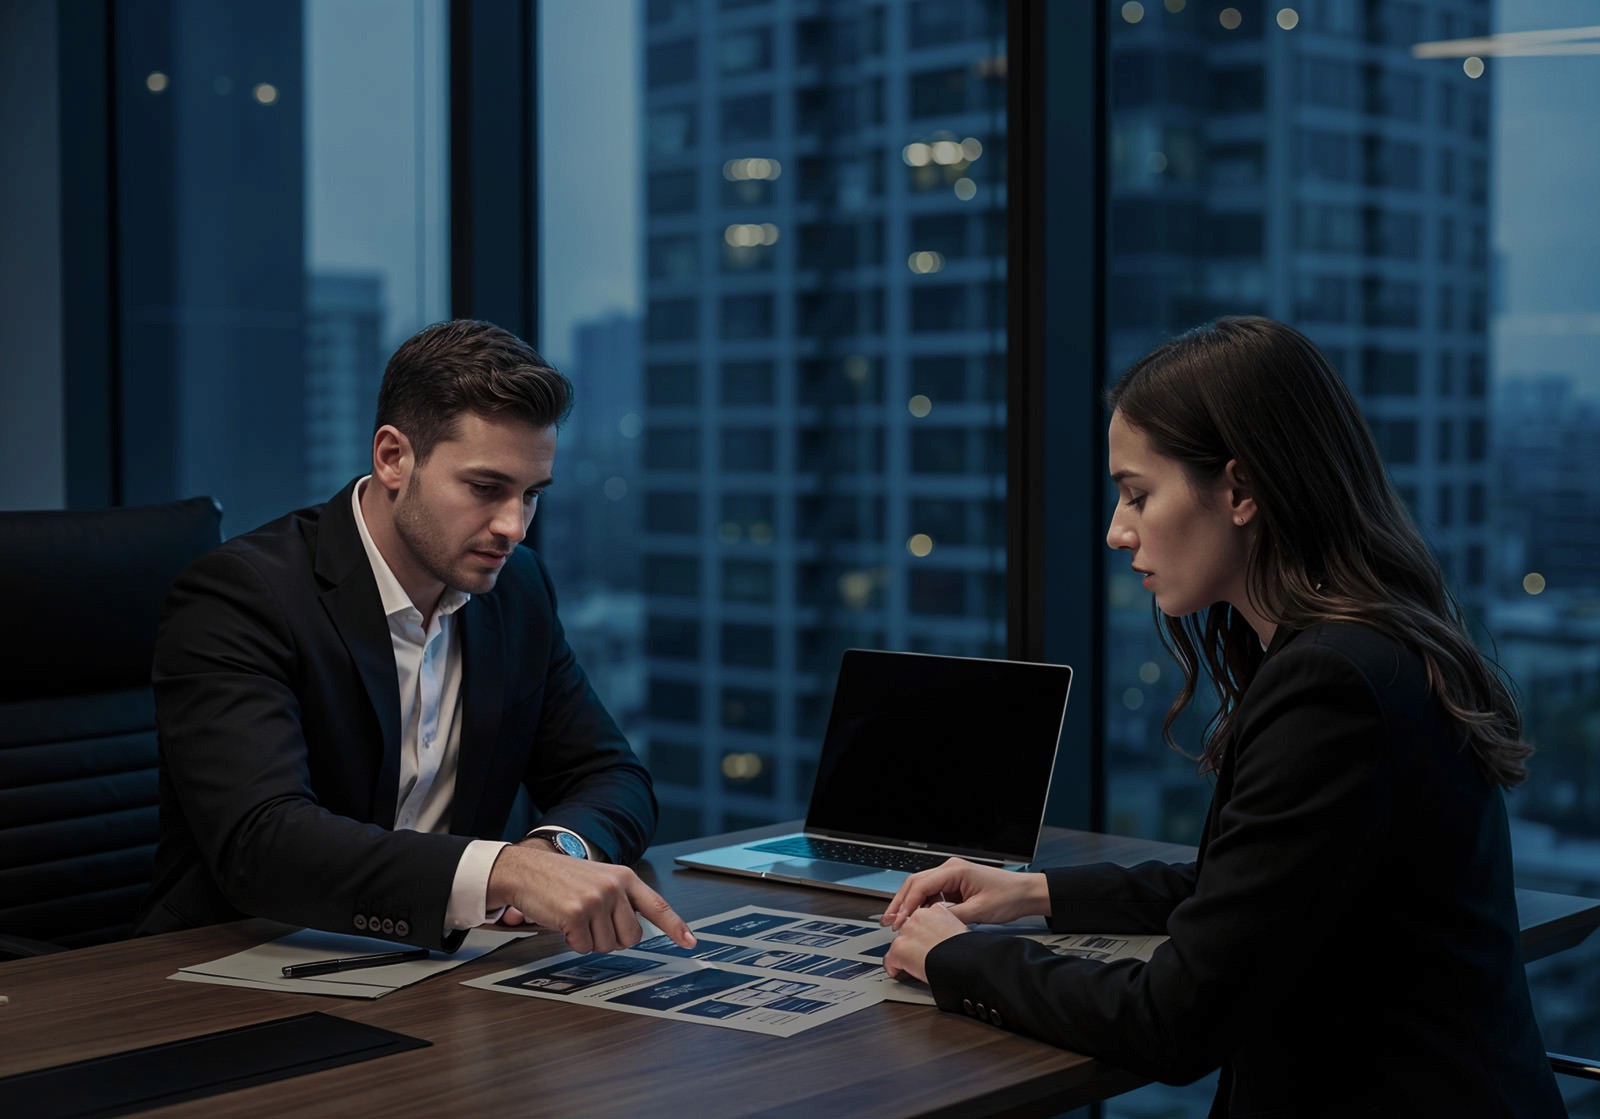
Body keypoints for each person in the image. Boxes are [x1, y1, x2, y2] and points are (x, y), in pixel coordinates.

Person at [881, 316, 1565, 1116]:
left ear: (1241, 491)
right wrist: (1029, 891)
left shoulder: (1331, 685)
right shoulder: (1366, 650)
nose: (1115, 530)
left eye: (1138, 493)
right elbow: (1244, 895)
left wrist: (959, 960)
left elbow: (1176, 1017)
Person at [136, 319, 694, 956]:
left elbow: (611, 774)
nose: (514, 527)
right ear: (393, 458)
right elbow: (262, 842)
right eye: (486, 488)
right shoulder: (241, 596)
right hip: (233, 969)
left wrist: (553, 850)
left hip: (441, 971)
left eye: (531, 495)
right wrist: (502, 871)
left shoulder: (516, 591)